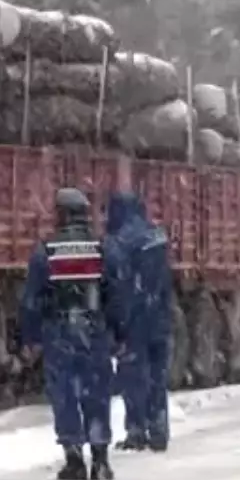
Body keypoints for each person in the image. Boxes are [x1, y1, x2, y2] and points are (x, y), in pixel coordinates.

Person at [20, 187, 126, 480]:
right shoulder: (102, 248)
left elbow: (32, 299)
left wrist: (30, 338)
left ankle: (74, 458)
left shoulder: (47, 251)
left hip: (60, 333)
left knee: (65, 394)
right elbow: (115, 295)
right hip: (95, 332)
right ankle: (101, 458)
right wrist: (119, 334)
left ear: (61, 214)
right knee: (97, 393)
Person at [105, 159, 173, 453]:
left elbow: (120, 288)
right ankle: (159, 429)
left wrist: (117, 328)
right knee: (158, 378)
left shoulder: (121, 242)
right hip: (160, 319)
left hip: (136, 323)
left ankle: (136, 430)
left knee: (134, 377)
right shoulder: (157, 236)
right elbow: (165, 283)